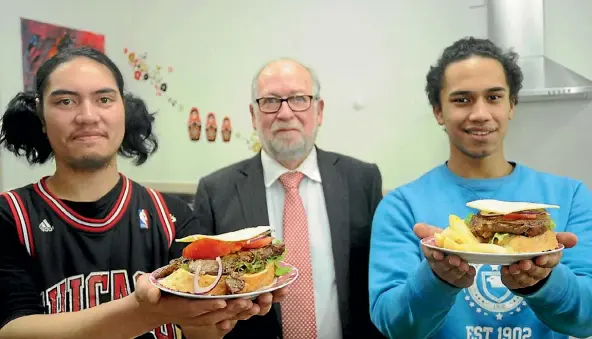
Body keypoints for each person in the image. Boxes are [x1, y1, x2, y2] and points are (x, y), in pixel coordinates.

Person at [0, 46, 285, 339]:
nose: (87, 116)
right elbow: (12, 329)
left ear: (124, 111)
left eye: (104, 99)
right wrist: (144, 312)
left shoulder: (171, 216)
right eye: (66, 101)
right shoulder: (11, 216)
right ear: (41, 118)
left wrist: (222, 311)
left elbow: (202, 333)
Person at [368, 36, 592, 339]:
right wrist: (437, 277)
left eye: (494, 97)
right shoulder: (401, 206)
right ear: (438, 111)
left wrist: (544, 280)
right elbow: (394, 324)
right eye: (462, 99)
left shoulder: (571, 196)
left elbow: (586, 319)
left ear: (511, 105)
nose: (480, 113)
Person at [191, 58, 385, 339]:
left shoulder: (362, 181)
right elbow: (204, 288)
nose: (285, 113)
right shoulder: (216, 192)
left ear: (319, 111)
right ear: (253, 114)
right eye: (270, 101)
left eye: (298, 99)